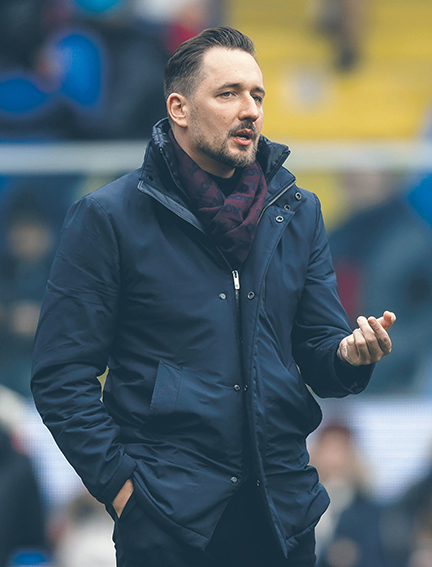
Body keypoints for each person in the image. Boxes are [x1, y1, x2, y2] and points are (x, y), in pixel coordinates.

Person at [31, 26, 395, 567]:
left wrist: (347, 355)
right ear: (179, 108)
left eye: (257, 95)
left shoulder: (297, 211)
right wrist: (124, 493)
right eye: (228, 94)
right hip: (167, 522)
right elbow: (61, 377)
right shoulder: (108, 217)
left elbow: (317, 350)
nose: (249, 109)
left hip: (283, 515)